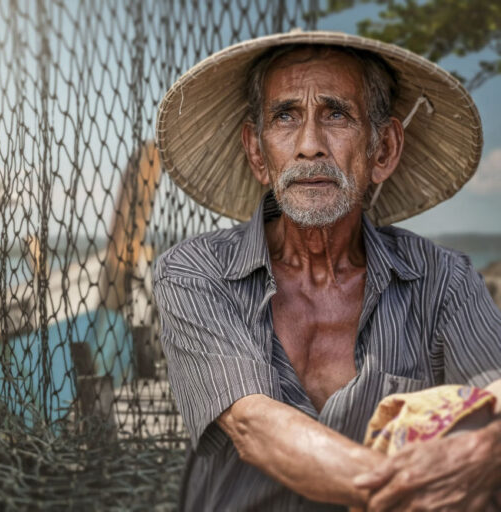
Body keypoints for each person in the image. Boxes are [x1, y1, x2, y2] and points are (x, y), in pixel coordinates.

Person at [153, 30, 501, 511]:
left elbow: (496, 394)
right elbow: (253, 426)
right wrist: (403, 488)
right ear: (257, 152)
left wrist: (490, 448)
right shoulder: (194, 273)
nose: (310, 145)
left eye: (336, 114)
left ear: (383, 151)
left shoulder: (445, 280)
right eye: (285, 116)